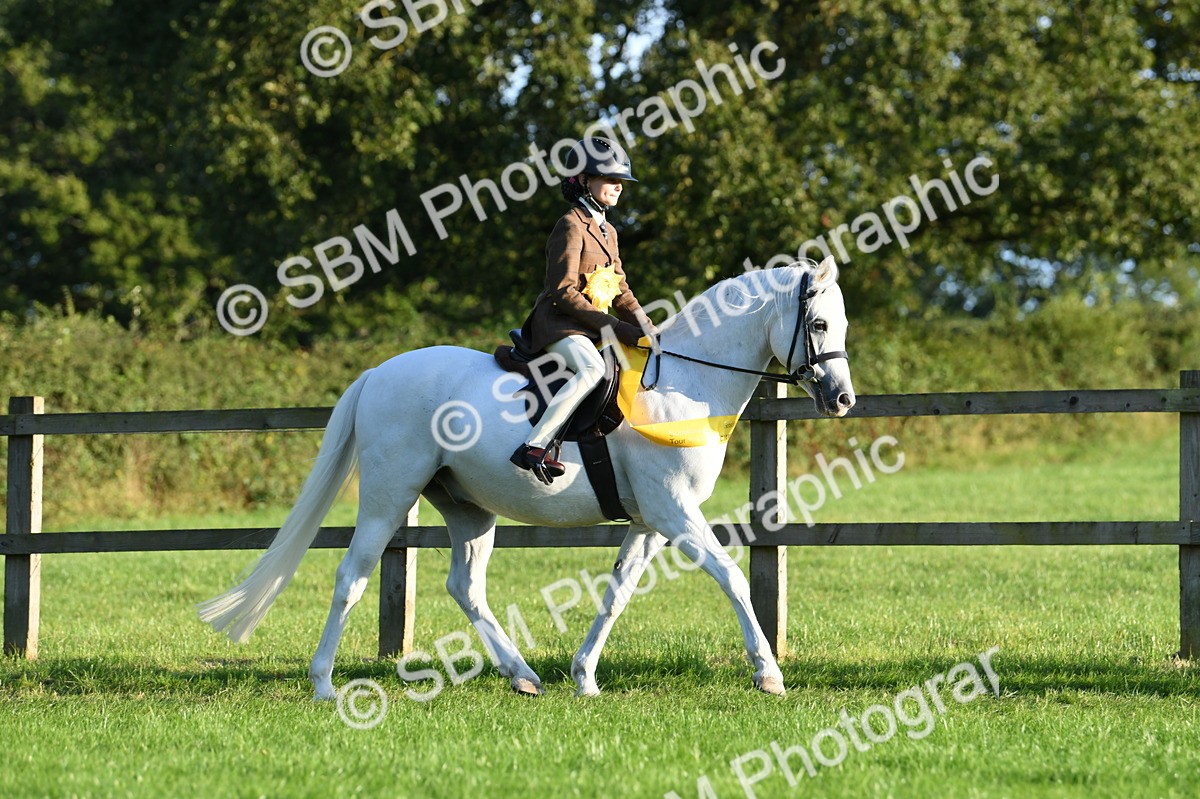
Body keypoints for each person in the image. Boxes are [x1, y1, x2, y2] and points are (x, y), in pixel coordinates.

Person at [510, 137, 655, 480]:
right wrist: (616, 328)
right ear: (584, 181)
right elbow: (562, 291)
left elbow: (620, 289)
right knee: (592, 369)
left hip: (588, 328)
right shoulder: (571, 224)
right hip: (559, 324)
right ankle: (535, 446)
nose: (618, 187)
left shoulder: (610, 232)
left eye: (621, 181)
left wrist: (649, 328)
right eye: (609, 179)